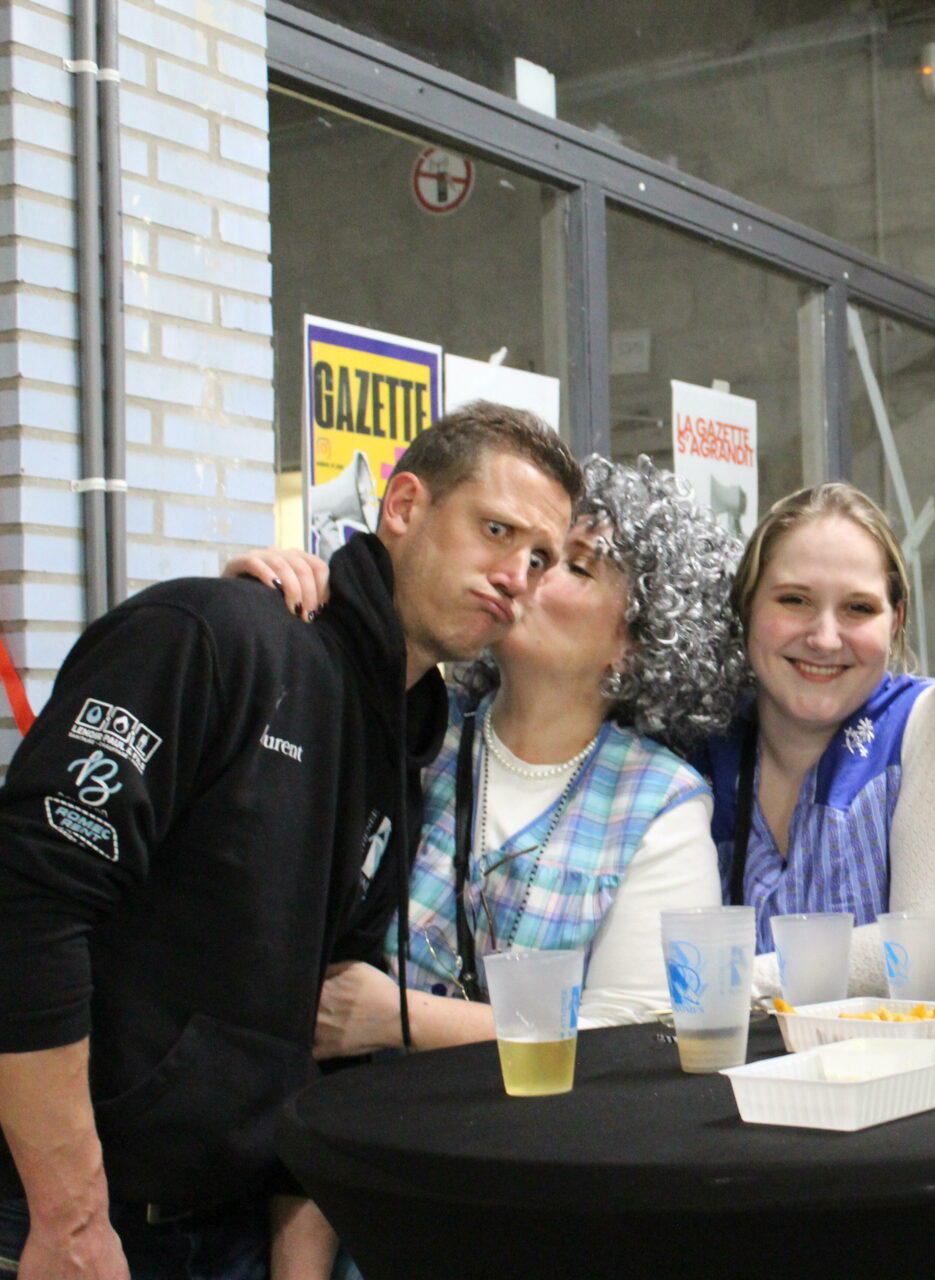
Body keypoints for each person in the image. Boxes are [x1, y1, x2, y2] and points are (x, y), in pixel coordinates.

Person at [0, 403, 579, 1280]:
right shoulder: (216, 635)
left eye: (540, 558)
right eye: (496, 530)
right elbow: (28, 906)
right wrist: (69, 1218)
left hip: (223, 1229)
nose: (516, 576)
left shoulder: (402, 741)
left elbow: (324, 1035)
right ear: (404, 506)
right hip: (64, 1220)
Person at [230, 454, 745, 1045]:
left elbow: (638, 1037)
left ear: (638, 644)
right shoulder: (417, 720)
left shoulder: (658, 803)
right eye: (533, 554)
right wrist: (263, 608)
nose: (523, 576)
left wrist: (400, 1019)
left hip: (534, 1110)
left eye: (574, 566)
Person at [703, 483, 935, 998]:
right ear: (747, 607)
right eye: (794, 600)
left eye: (858, 608)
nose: (824, 638)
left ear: (896, 620)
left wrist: (721, 982)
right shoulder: (701, 747)